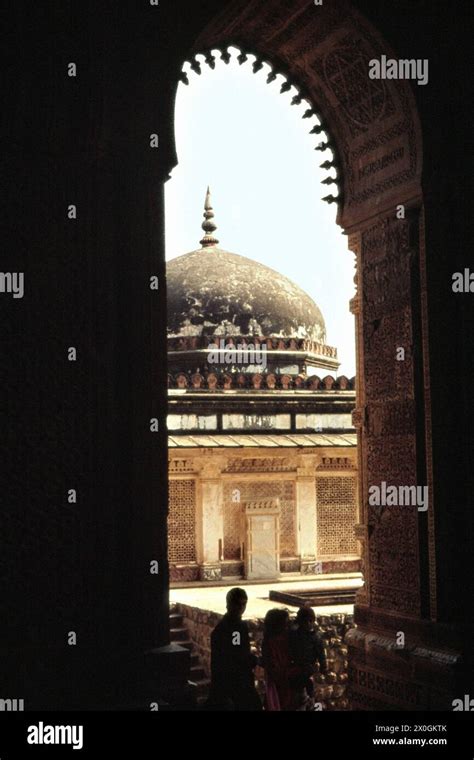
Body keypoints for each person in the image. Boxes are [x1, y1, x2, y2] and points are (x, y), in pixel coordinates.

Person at [207, 587, 262, 710]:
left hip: (238, 682)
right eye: (238, 604)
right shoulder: (233, 628)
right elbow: (236, 656)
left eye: (244, 604)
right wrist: (254, 660)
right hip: (234, 683)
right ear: (229, 604)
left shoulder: (231, 626)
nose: (241, 608)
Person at [262, 608, 302, 711]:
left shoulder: (285, 638)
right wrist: (296, 670)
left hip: (287, 685)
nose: (287, 626)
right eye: (285, 624)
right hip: (279, 688)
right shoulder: (271, 643)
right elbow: (275, 670)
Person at [289, 605, 327, 706]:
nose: (308, 623)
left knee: (305, 694)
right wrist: (323, 668)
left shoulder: (295, 634)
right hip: (302, 669)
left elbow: (321, 655)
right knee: (305, 695)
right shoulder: (312, 637)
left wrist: (323, 667)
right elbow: (321, 655)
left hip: (302, 670)